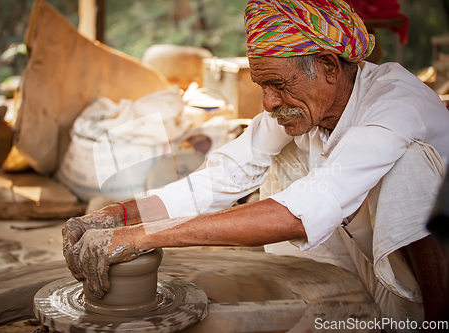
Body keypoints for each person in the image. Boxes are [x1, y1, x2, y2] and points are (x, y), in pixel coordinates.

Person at [63, 0, 449, 329]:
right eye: (261, 85)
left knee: (408, 167)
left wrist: (146, 237)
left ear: (330, 66)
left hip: (427, 287)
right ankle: (338, 307)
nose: (267, 103)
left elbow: (301, 212)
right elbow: (221, 177)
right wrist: (121, 216)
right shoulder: (306, 109)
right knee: (280, 155)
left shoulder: (395, 106)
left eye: (278, 85)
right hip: (372, 272)